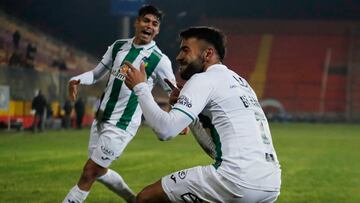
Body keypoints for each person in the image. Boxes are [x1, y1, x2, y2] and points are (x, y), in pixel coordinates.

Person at [124, 26, 281, 203]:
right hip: (270, 183)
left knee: (147, 198)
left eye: (185, 50)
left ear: (208, 54)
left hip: (235, 180)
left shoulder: (203, 79)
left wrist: (140, 88)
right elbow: (217, 150)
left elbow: (165, 130)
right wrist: (190, 113)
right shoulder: (242, 83)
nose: (179, 57)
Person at [62, 5, 175, 203]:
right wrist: (77, 79)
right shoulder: (118, 46)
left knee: (89, 172)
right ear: (137, 22)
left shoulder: (159, 59)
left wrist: (179, 117)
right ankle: (133, 200)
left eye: (154, 24)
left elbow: (172, 92)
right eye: (146, 21)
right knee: (100, 171)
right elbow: (96, 74)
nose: (149, 26)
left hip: (122, 124)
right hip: (101, 118)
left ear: (157, 30)